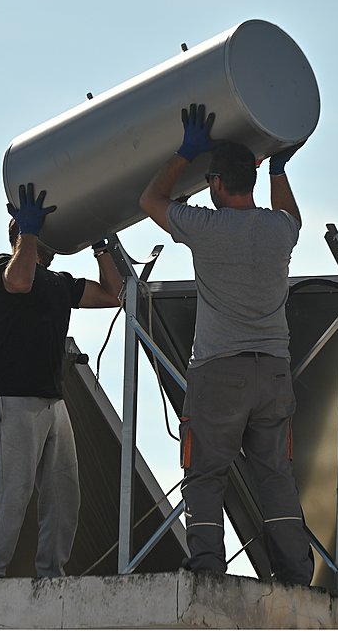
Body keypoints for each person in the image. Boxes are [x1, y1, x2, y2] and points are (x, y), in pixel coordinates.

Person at [138, 103, 314, 584]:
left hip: (219, 372)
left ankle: (208, 571)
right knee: (275, 475)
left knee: (206, 474)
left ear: (216, 183)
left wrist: (183, 153)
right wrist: (278, 168)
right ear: (252, 179)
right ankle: (296, 575)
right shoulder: (278, 232)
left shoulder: (207, 227)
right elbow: (291, 216)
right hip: (273, 371)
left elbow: (150, 200)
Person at [0, 182, 122, 579]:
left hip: (50, 402)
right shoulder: (0, 268)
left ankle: (51, 575)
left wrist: (100, 247)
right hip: (13, 399)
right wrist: (28, 233)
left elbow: (113, 294)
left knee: (63, 494)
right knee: (14, 491)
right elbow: (20, 281)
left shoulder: (59, 283)